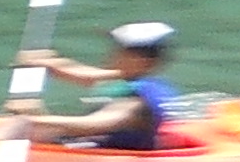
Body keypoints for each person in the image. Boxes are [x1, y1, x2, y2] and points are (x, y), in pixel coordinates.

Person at [13, 20, 190, 149]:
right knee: (28, 126)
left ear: (142, 61)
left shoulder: (137, 100)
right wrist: (47, 63)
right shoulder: (129, 76)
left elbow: (94, 123)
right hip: (95, 142)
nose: (112, 54)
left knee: (29, 127)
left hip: (113, 155)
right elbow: (84, 75)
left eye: (121, 50)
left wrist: (32, 119)